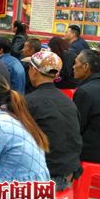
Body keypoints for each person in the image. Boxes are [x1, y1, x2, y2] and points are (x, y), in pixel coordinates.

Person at [26, 51, 82, 190]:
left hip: (45, 176)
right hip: (68, 172)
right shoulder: (68, 101)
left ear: (34, 71)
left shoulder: (29, 102)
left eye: (29, 67)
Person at [73, 49, 100, 163]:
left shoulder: (84, 91)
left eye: (76, 63)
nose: (73, 67)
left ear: (85, 66)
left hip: (92, 152)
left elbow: (77, 126)